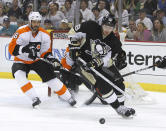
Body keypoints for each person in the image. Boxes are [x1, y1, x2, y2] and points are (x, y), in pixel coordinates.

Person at [61, 14, 136, 118]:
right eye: (105, 26)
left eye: (110, 28)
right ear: (102, 24)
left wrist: (99, 61)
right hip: (83, 59)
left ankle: (122, 107)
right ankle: (118, 108)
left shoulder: (114, 41)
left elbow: (109, 60)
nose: (107, 30)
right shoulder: (90, 26)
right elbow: (72, 32)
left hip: (98, 63)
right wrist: (74, 46)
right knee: (101, 84)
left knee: (119, 82)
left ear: (113, 28)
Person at [8, 11, 76, 108]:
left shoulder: (44, 34)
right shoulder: (21, 31)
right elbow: (11, 49)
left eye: (38, 22)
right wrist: (26, 49)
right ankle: (34, 98)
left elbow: (45, 52)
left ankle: (69, 98)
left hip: (36, 60)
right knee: (19, 75)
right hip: (21, 60)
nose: (36, 24)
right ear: (30, 21)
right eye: (34, 22)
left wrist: (52, 60)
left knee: (51, 78)